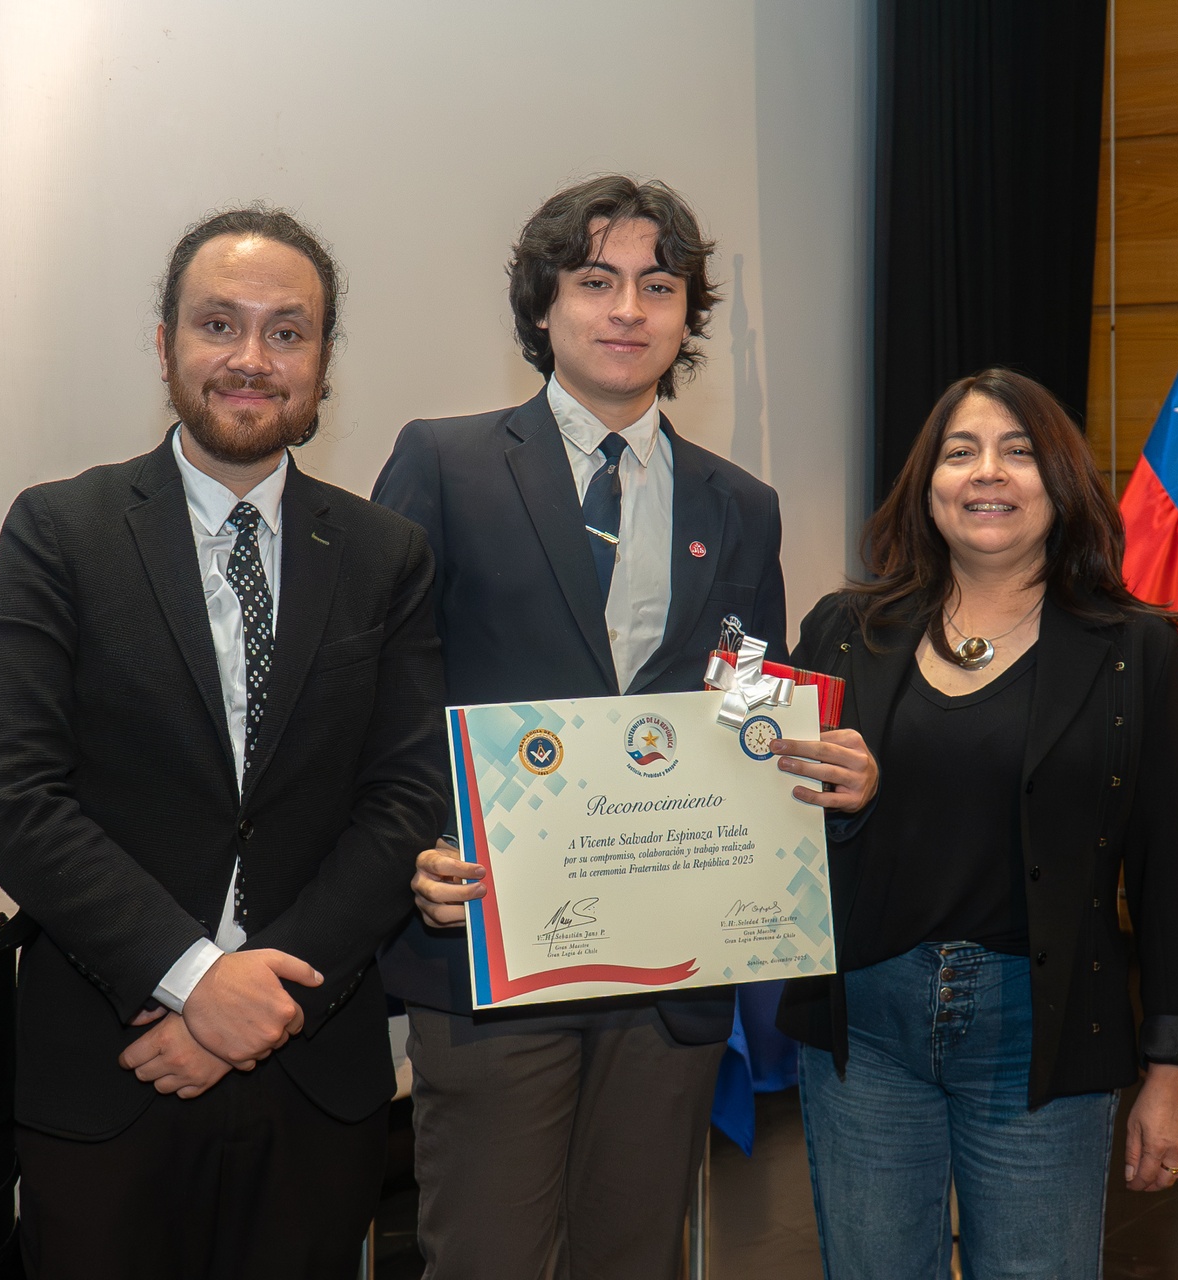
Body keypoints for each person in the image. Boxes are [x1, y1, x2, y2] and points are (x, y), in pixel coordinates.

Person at [371, 175, 879, 1280]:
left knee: (634, 1255)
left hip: (670, 966)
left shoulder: (741, 504)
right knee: (488, 1259)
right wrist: (411, 849)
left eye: (659, 285)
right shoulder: (446, 463)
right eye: (596, 281)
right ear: (544, 303)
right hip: (496, 950)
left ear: (687, 315)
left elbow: (742, 704)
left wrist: (813, 771)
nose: (627, 309)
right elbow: (381, 697)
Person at [0, 207, 449, 1279]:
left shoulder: (386, 554)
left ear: (323, 359)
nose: (251, 358)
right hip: (112, 1063)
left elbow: (407, 799)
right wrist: (194, 979)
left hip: (312, 1073)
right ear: (165, 343)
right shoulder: (59, 532)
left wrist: (259, 1005)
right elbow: (14, 795)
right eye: (218, 324)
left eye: (287, 331)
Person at [773, 368, 1178, 1278]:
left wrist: (1173, 1072)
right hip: (866, 1024)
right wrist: (833, 801)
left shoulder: (1133, 649)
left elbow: (1172, 870)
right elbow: (763, 821)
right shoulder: (842, 629)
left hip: (1043, 1032)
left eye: (1018, 452)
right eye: (961, 451)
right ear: (927, 484)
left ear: (1060, 483)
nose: (988, 472)